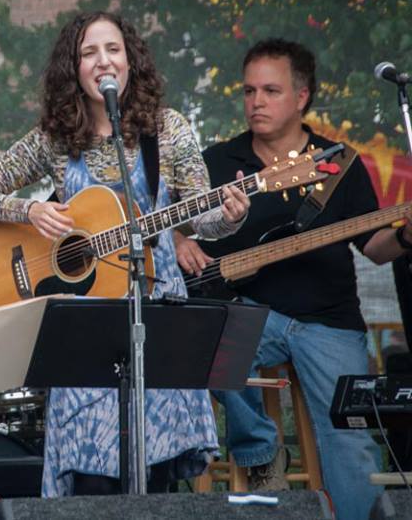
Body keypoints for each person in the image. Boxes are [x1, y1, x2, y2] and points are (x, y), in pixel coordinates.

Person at [0, 10, 250, 496]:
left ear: (131, 61)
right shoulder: (54, 138)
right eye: (89, 53)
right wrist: (29, 210)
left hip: (157, 316)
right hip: (84, 327)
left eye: (113, 49)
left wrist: (231, 216)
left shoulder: (168, 130)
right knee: (92, 478)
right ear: (73, 68)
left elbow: (201, 217)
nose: (103, 61)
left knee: (155, 478)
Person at [174, 38, 412, 519]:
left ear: (301, 97)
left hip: (329, 321)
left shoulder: (341, 163)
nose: (256, 102)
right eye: (249, 91)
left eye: (270, 91)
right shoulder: (218, 162)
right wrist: (180, 240)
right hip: (248, 313)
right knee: (211, 341)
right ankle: (262, 456)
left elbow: (375, 249)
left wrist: (406, 237)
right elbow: (170, 220)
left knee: (349, 437)